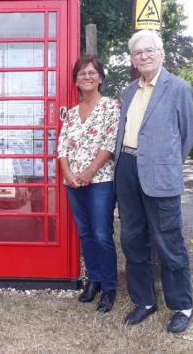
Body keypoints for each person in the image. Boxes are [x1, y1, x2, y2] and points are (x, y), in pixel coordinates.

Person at [114, 29, 193, 333]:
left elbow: (186, 137)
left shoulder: (178, 88)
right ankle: (145, 301)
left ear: (161, 53)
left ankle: (181, 306)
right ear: (133, 60)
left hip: (160, 173)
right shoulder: (129, 91)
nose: (144, 56)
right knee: (132, 238)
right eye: (138, 53)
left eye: (150, 50)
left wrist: (166, 164)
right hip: (127, 168)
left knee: (168, 241)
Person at [57, 55, 120, 313]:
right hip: (73, 181)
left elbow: (110, 143)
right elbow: (62, 146)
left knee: (102, 233)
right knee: (85, 233)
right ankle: (93, 280)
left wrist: (88, 173)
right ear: (76, 81)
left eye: (92, 72)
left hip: (101, 180)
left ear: (100, 78)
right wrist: (68, 173)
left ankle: (109, 286)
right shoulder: (71, 113)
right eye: (82, 74)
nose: (87, 77)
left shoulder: (111, 107)